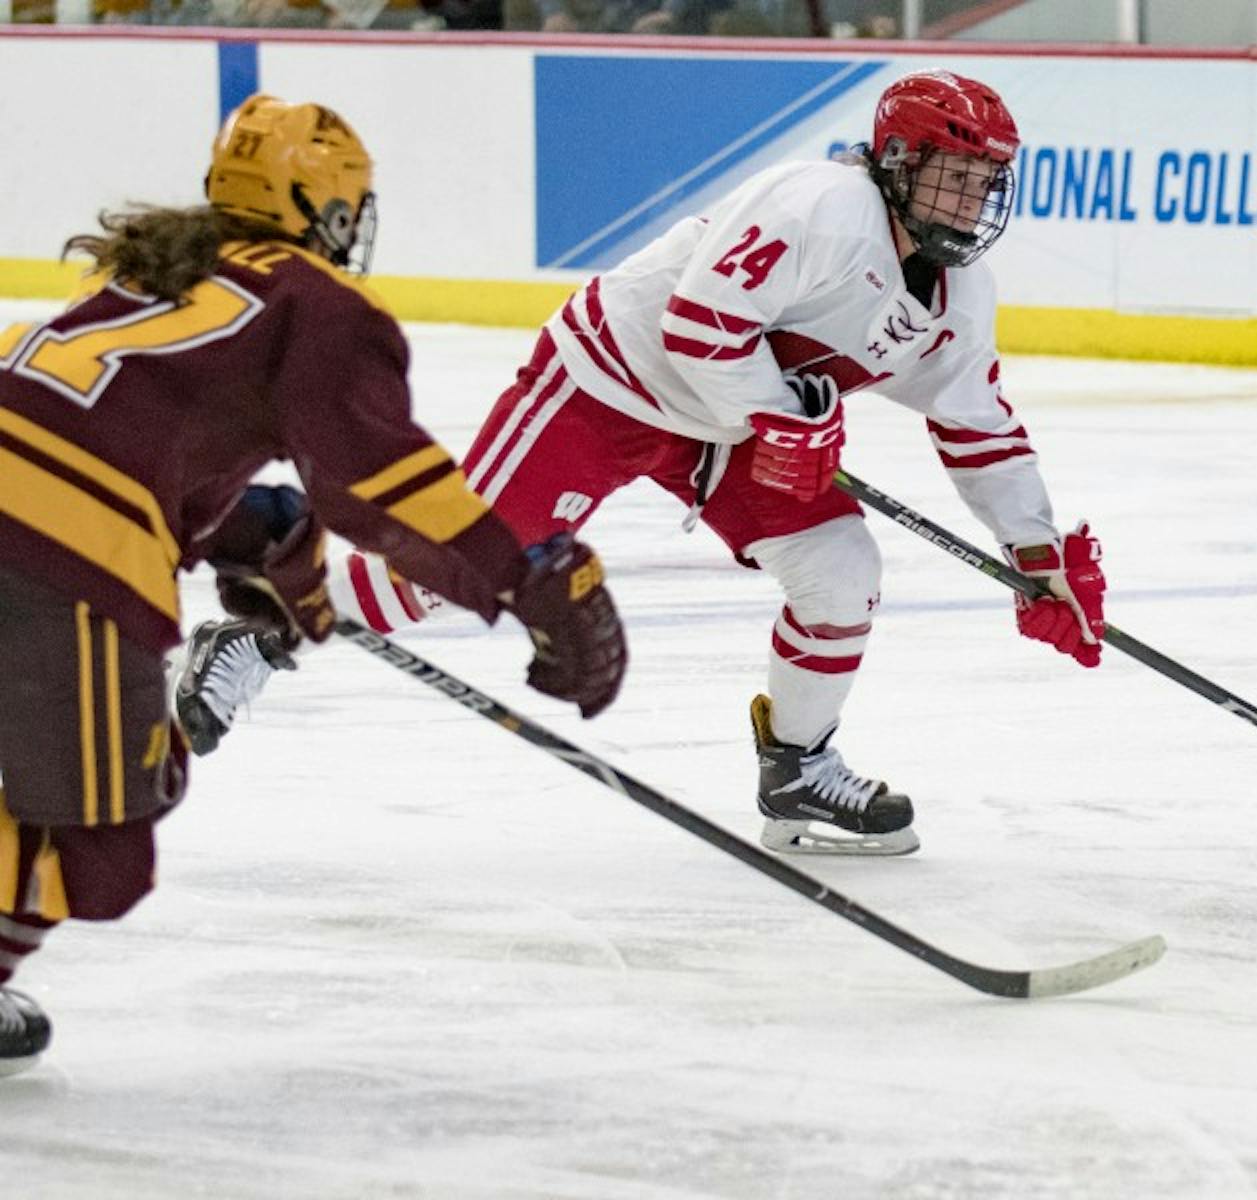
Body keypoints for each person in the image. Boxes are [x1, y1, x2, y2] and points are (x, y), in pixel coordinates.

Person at [177, 69, 1108, 860]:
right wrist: (785, 421)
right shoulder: (820, 206)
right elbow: (698, 325)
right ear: (899, 166)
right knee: (456, 572)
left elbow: (978, 423)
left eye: (988, 182)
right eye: (955, 178)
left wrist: (1035, 555)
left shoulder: (958, 294)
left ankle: (798, 767)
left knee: (842, 570)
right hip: (610, 381)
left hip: (729, 427)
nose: (974, 202)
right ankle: (261, 629)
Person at [0, 94, 629, 1076]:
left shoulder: (165, 264)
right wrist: (518, 583)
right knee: (93, 820)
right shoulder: (318, 304)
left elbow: (149, 442)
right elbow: (378, 484)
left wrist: (273, 543)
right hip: (53, 545)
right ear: (324, 209)